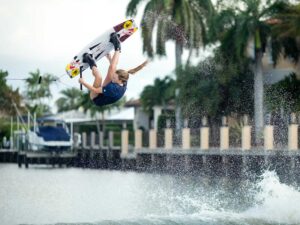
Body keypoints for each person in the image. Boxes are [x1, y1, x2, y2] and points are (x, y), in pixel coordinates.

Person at [79, 32, 148, 107]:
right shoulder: (123, 78)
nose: (112, 78)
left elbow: (95, 90)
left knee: (99, 77)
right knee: (112, 67)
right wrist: (109, 59)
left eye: (114, 78)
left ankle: (89, 60)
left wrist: (83, 82)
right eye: (114, 76)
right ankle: (117, 45)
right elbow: (115, 72)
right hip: (107, 90)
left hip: (97, 98)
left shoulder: (113, 89)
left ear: (120, 81)